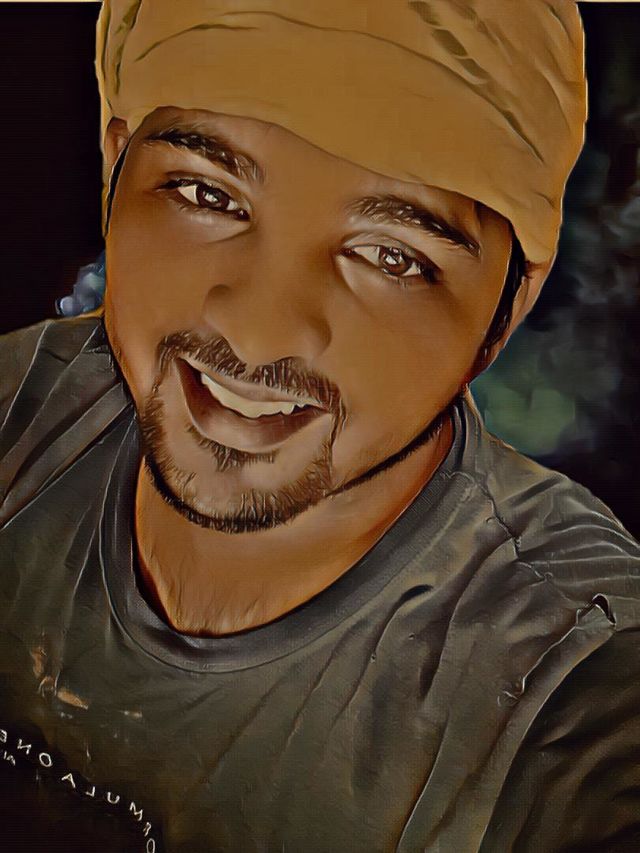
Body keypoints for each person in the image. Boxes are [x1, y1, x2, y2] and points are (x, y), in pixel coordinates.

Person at [1, 1, 640, 851]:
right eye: (206, 193)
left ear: (507, 307)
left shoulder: (573, 679)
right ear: (115, 165)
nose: (258, 331)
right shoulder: (19, 406)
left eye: (391, 255)